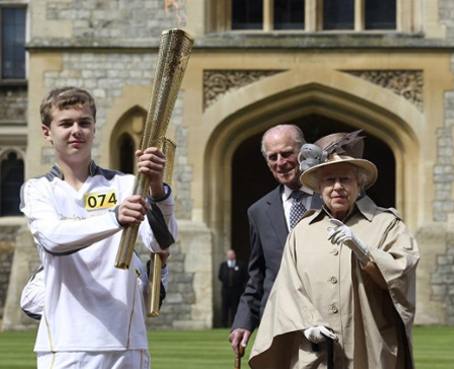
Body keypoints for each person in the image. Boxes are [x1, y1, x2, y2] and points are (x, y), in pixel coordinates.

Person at [20, 87, 177, 369]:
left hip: (126, 342)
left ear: (94, 128)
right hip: (68, 345)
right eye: (66, 123)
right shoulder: (38, 190)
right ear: (47, 132)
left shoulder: (125, 185)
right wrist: (114, 218)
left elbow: (160, 243)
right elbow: (53, 239)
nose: (76, 131)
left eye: (84, 122)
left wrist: (156, 188)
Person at [249, 131, 420, 369]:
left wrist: (364, 250)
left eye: (345, 179)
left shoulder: (387, 224)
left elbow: (402, 271)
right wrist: (307, 325)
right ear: (319, 188)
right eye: (329, 180)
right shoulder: (302, 232)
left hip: (367, 350)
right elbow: (288, 288)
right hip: (315, 353)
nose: (337, 187)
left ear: (359, 184)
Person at [230, 124, 322, 354]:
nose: (280, 162)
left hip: (328, 320)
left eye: (287, 153)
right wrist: (243, 321)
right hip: (279, 324)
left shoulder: (333, 198)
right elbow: (257, 276)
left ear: (305, 152)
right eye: (273, 157)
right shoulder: (259, 211)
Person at [218, 249, 247, 327]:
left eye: (232, 254)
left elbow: (245, 277)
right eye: (229, 254)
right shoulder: (223, 265)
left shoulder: (241, 264)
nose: (230, 256)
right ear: (227, 256)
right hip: (226, 290)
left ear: (235, 255)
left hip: (237, 290)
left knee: (235, 307)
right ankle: (224, 324)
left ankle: (235, 324)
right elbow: (220, 276)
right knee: (225, 307)